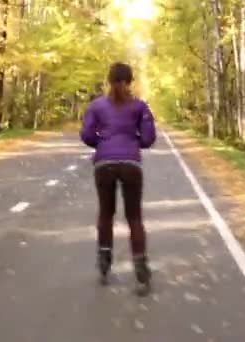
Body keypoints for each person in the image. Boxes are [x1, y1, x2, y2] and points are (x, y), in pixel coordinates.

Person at [79, 62, 157, 296]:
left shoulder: (96, 106)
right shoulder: (140, 107)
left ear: (108, 81)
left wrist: (102, 144)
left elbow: (86, 134)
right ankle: (141, 269)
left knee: (106, 213)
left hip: (104, 163)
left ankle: (104, 260)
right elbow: (148, 138)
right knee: (134, 217)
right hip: (131, 164)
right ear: (130, 81)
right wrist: (134, 142)